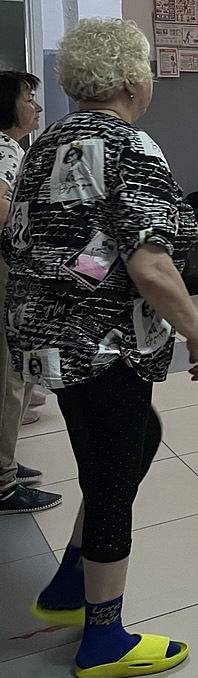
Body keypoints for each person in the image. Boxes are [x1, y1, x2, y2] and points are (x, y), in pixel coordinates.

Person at [2, 19, 198, 678]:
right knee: (111, 479)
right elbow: (150, 265)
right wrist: (197, 331)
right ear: (130, 80)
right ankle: (103, 637)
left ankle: (71, 580)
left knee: (135, 440)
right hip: (103, 344)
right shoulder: (131, 147)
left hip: (47, 336)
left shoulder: (46, 142)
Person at [0, 70, 60, 513]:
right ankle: (2, 481)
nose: (36, 107)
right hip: (8, 272)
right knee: (8, 376)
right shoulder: (2, 150)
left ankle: (4, 460)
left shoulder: (13, 149)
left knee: (15, 373)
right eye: (27, 99)